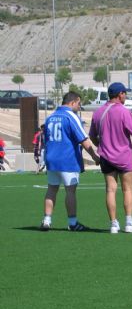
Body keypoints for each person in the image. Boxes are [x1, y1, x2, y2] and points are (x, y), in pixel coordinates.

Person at [40, 91, 100, 231]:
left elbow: (46, 139)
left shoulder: (50, 117)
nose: (79, 107)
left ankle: (46, 220)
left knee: (51, 189)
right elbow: (84, 140)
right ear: (72, 102)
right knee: (70, 191)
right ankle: (72, 223)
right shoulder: (71, 116)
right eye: (79, 103)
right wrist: (95, 156)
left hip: (51, 159)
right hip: (67, 159)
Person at [89, 82, 132, 234]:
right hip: (124, 156)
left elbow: (92, 135)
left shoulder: (98, 112)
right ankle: (129, 223)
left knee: (110, 190)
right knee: (127, 189)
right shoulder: (124, 111)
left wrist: (101, 145)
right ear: (120, 94)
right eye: (125, 93)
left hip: (106, 157)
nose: (126, 96)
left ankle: (113, 224)